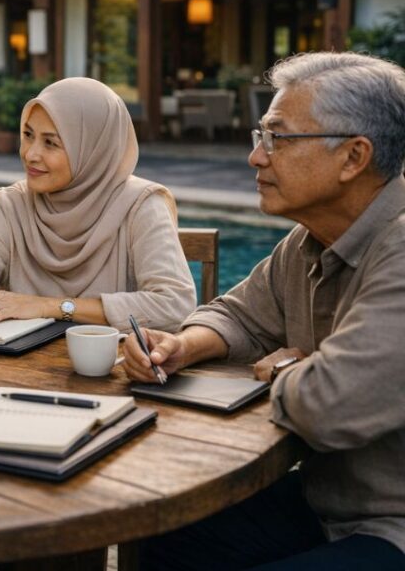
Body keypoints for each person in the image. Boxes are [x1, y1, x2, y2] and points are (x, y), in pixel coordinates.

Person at [123, 51, 405, 570]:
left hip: (391, 525)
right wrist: (182, 345)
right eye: (261, 137)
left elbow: (327, 405)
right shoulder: (308, 241)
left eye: (278, 138)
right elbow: (239, 314)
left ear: (353, 157)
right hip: (324, 503)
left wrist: (285, 367)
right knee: (159, 535)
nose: (257, 157)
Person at [0, 77, 196, 331]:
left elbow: (174, 306)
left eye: (51, 143)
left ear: (92, 149)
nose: (30, 154)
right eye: (28, 135)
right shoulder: (12, 205)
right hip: (19, 368)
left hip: (115, 369)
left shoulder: (141, 206)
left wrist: (48, 307)